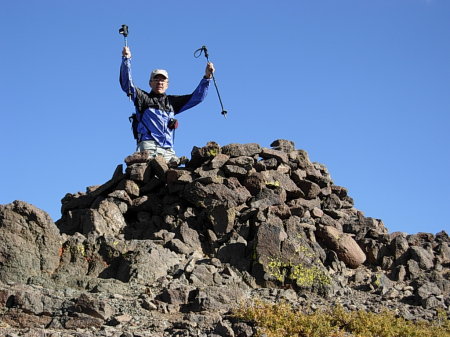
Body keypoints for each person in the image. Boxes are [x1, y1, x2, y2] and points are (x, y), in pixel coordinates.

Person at [120, 46, 215, 163]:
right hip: (149, 147)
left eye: (163, 80)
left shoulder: (172, 102)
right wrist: (126, 59)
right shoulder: (142, 98)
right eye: (156, 80)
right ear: (150, 83)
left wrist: (207, 77)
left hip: (168, 150)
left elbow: (197, 97)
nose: (159, 82)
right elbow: (127, 84)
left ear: (167, 84)